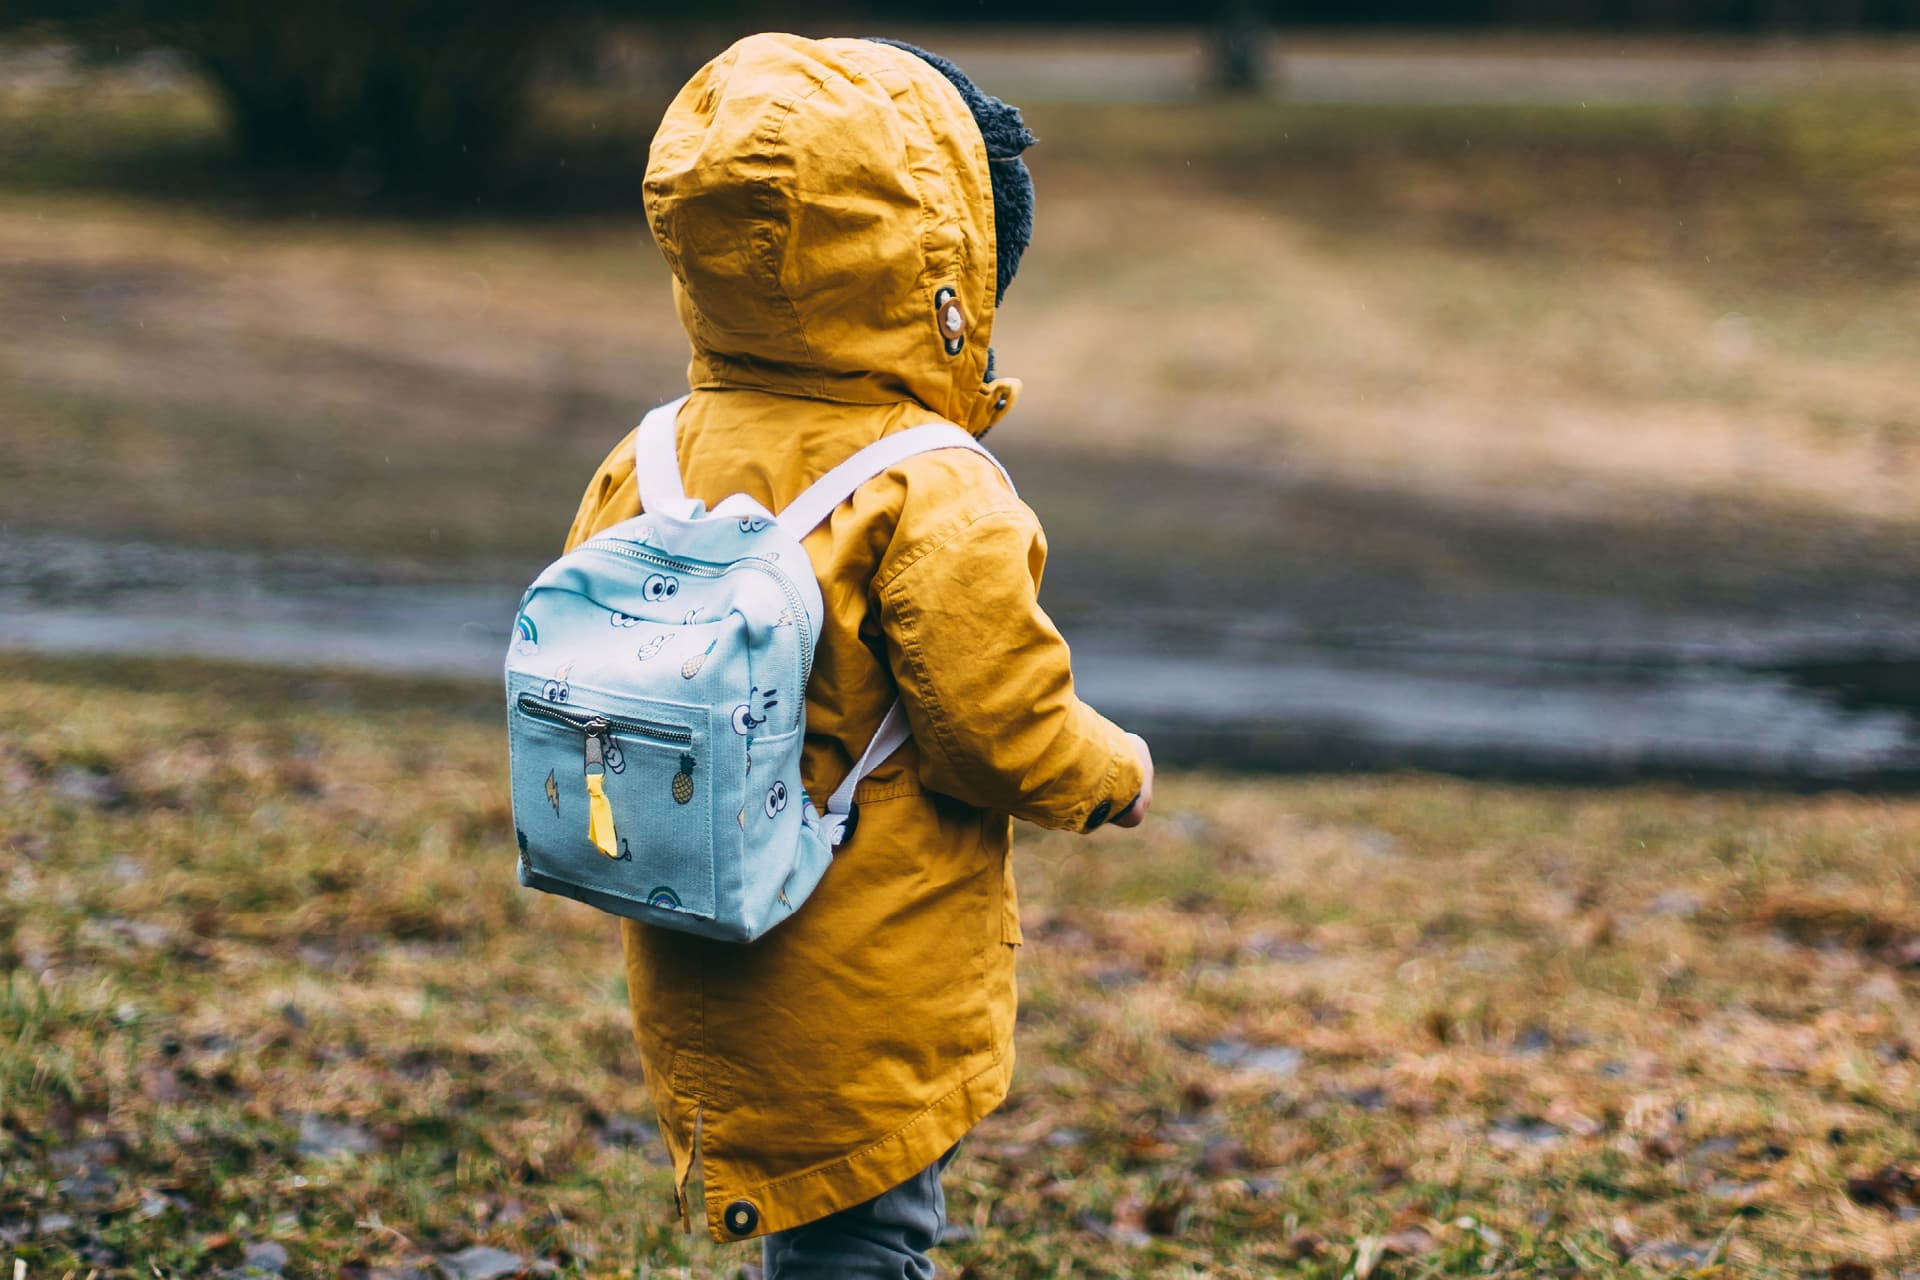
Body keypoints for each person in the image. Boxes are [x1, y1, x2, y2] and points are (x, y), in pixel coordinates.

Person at [561, 32, 1154, 1278]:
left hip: (694, 919)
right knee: (870, 1237)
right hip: (860, 950)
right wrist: (1113, 771)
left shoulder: (653, 454)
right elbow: (1001, 726)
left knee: (818, 1224)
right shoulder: (934, 489)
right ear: (945, 272)